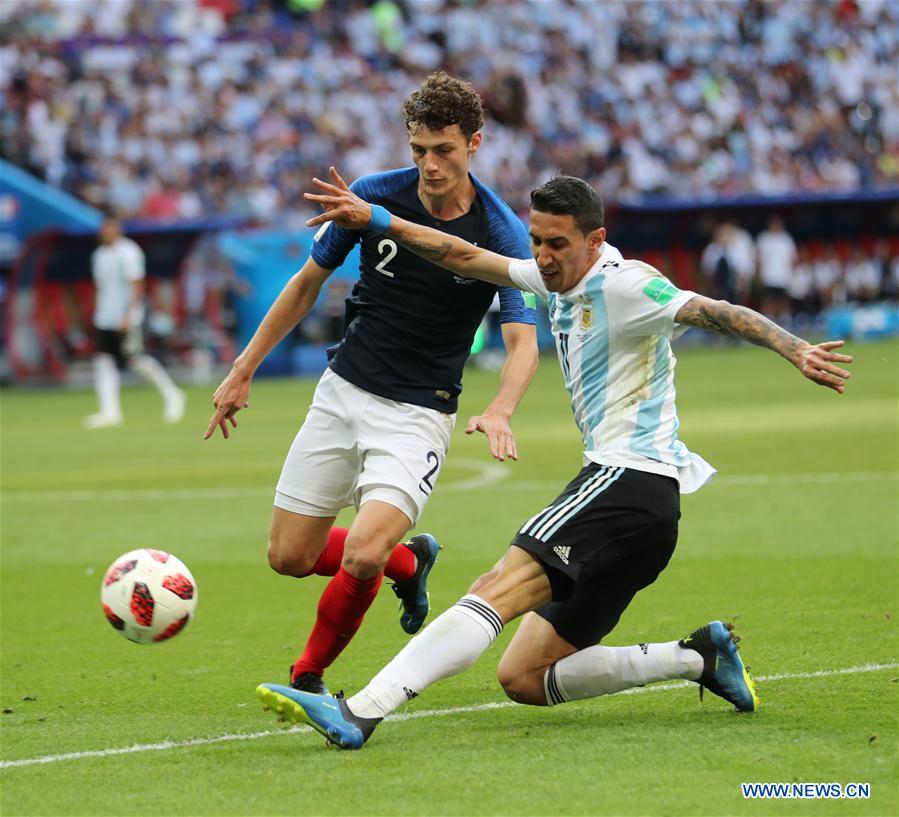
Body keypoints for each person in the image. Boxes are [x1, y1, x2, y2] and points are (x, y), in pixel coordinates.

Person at [254, 170, 853, 749]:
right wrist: (381, 219)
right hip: (648, 517)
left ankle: (361, 710)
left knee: (493, 589)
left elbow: (715, 310)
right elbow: (462, 256)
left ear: (595, 241)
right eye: (536, 240)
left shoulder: (625, 284)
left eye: (557, 244)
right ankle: (698, 657)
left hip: (625, 480)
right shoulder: (552, 276)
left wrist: (793, 346)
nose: (541, 255)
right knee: (524, 676)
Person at [204, 73, 538, 695]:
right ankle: (408, 562)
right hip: (342, 390)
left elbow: (523, 340)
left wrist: (501, 407)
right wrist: (243, 367)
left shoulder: (500, 233)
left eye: (444, 150)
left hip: (418, 412)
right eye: (419, 151)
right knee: (289, 558)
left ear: (476, 142)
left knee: (360, 554)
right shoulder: (370, 196)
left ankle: (309, 679)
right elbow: (307, 281)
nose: (430, 165)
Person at [83, 216, 186, 429]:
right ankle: (110, 411)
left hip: (127, 317)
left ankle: (173, 394)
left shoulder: (129, 252)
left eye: (109, 227)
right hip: (105, 317)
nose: (106, 232)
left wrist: (129, 315)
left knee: (136, 359)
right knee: (103, 361)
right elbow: (100, 287)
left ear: (117, 228)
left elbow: (137, 285)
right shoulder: (99, 255)